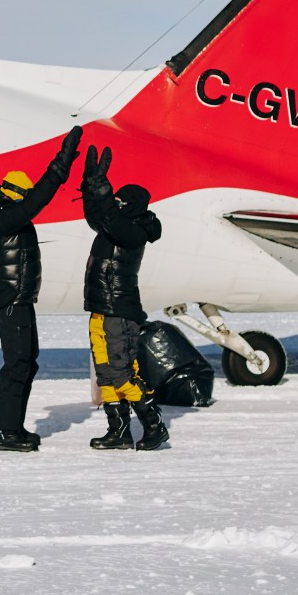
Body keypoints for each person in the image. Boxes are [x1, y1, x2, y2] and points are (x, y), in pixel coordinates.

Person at [0, 123, 84, 452]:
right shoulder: (4, 218)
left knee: (27, 362)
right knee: (17, 364)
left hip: (19, 299)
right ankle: (5, 433)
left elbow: (32, 201)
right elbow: (37, 201)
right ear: (12, 194)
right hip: (10, 300)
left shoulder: (6, 212)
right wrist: (61, 165)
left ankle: (12, 427)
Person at [80, 144, 169, 451]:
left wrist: (105, 196)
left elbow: (112, 221)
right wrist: (90, 184)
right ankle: (118, 431)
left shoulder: (134, 232)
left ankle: (154, 426)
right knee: (105, 374)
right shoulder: (112, 227)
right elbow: (98, 216)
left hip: (120, 310)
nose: (114, 205)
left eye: (119, 201)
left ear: (131, 206)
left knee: (121, 374)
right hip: (100, 309)